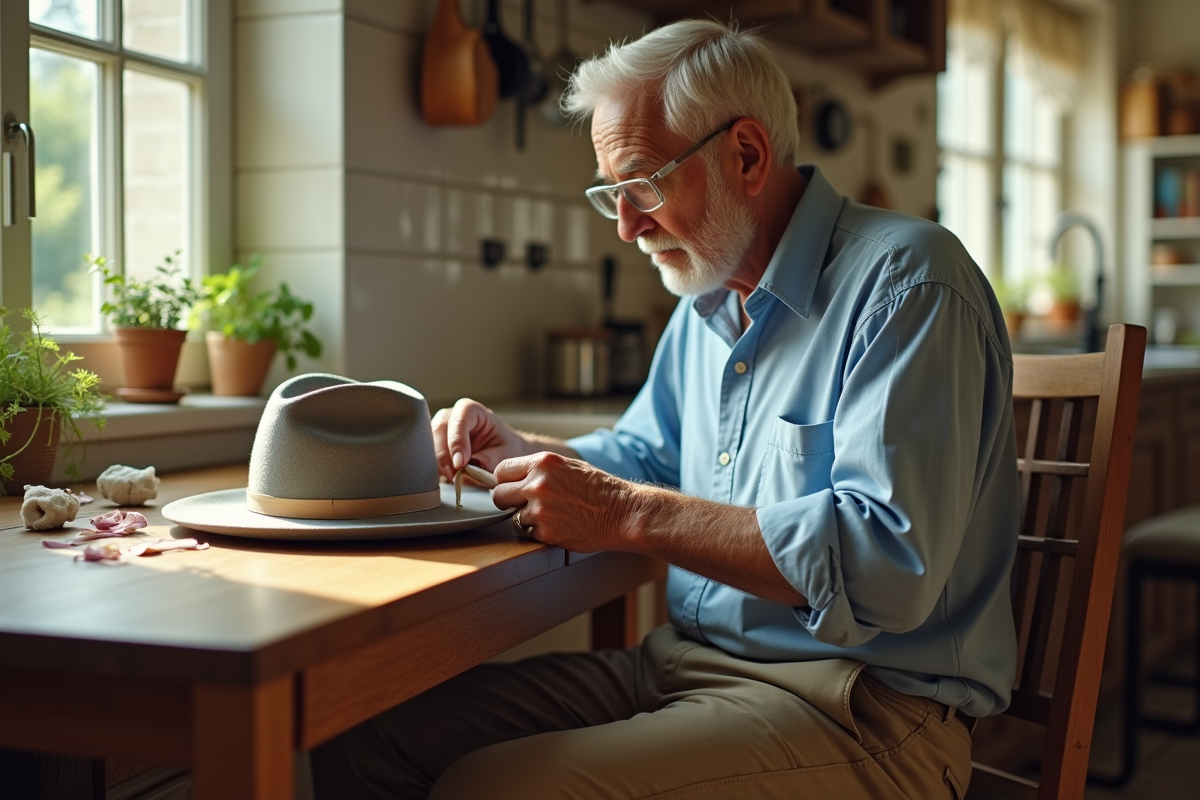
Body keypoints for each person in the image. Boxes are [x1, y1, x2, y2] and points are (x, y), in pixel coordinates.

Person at [312, 19, 1018, 800]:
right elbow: (646, 460)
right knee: (360, 737)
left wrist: (622, 512)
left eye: (642, 183)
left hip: (865, 711)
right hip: (684, 664)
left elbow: (886, 568)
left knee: (498, 787)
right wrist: (517, 453)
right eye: (611, 194)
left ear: (746, 154)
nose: (625, 226)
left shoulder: (908, 283)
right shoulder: (708, 301)